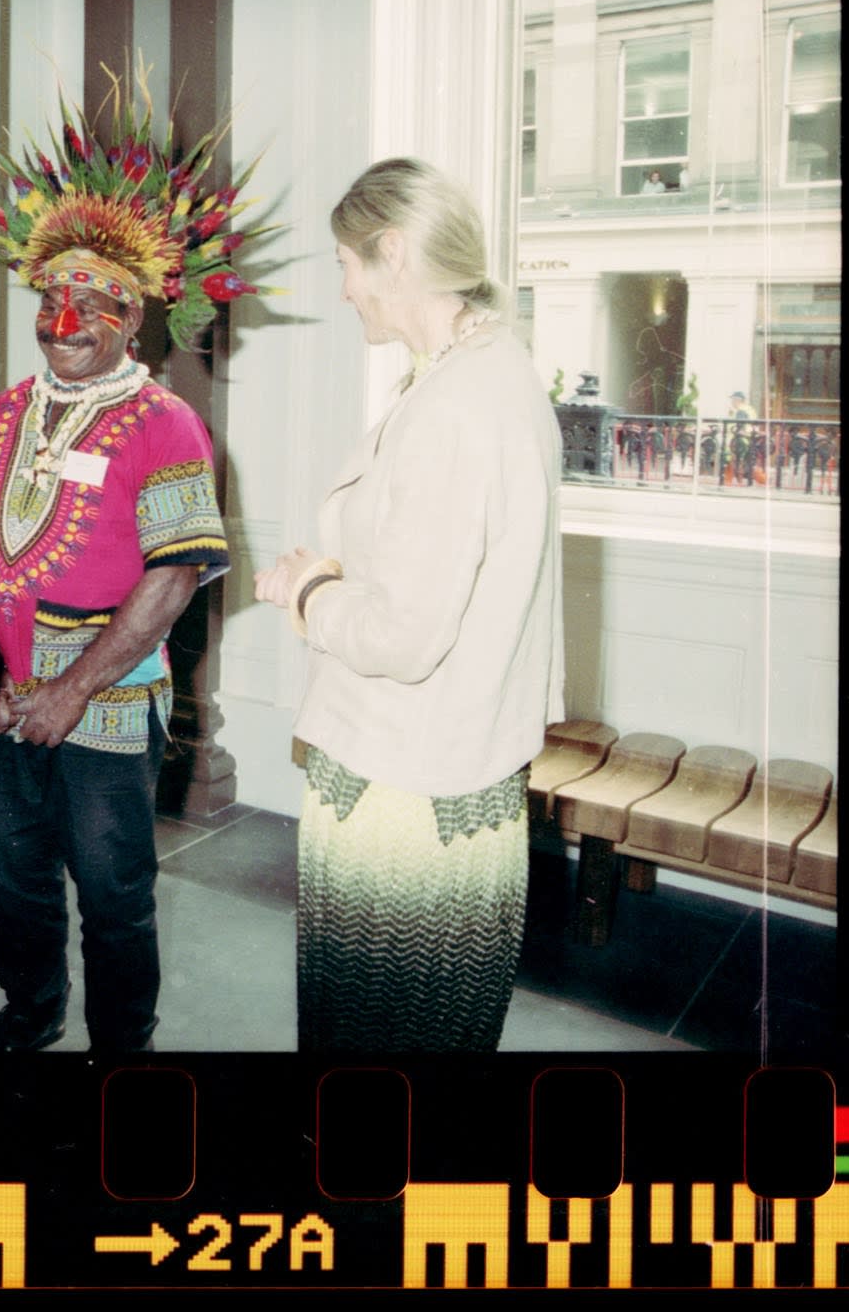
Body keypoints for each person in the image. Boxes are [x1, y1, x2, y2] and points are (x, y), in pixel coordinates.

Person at [0, 77, 281, 1053]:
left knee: (111, 888)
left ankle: (121, 1042)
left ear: (133, 318)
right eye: (55, 295)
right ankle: (33, 1010)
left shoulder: (166, 422)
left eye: (96, 299)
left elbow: (173, 577)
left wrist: (66, 690)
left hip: (103, 698)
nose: (69, 314)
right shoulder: (10, 407)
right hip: (11, 694)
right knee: (10, 870)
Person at [255, 156, 564, 1052]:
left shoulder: (456, 404)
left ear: (392, 252)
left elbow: (404, 635)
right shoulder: (488, 368)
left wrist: (311, 589)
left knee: (375, 1036)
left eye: (347, 264)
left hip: (406, 796)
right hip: (459, 775)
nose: (345, 289)